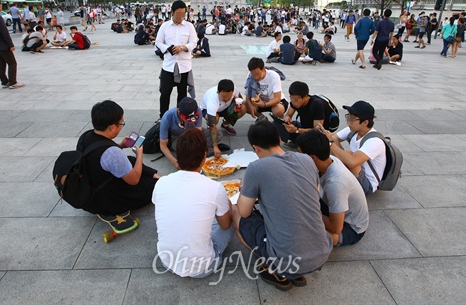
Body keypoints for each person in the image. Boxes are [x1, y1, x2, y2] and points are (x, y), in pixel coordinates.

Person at [231, 121, 332, 291]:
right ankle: (296, 270)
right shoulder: (307, 160)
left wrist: (244, 188)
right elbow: (312, 195)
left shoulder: (256, 168)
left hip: (286, 260)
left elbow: (244, 211)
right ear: (279, 139)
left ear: (256, 148)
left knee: (234, 213)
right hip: (322, 251)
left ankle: (275, 269)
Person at [152, 128, 233, 278]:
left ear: (177, 156)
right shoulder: (215, 188)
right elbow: (225, 225)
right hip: (203, 267)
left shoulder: (161, 183)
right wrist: (228, 205)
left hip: (166, 261)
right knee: (230, 218)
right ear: (204, 157)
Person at [77, 100, 159, 233]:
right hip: (108, 198)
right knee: (153, 185)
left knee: (129, 159)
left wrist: (120, 145)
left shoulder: (86, 136)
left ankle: (158, 177)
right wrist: (140, 155)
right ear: (112, 127)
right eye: (121, 123)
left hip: (92, 185)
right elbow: (134, 180)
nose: (122, 126)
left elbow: (100, 157)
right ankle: (158, 181)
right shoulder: (112, 153)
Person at [297, 129, 369, 246]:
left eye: (300, 154)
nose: (298, 158)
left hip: (351, 228)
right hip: (334, 207)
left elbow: (336, 228)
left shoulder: (336, 184)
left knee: (302, 229)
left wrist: (306, 211)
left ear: (313, 158)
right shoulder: (328, 159)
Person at [322, 101, 386, 195]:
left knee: (351, 159)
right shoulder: (353, 130)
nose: (348, 122)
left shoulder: (375, 141)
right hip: (352, 174)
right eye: (348, 117)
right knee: (344, 153)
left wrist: (330, 143)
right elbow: (334, 138)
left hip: (366, 184)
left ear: (365, 122)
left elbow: (352, 162)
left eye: (352, 119)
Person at [155, 0, 198, 118]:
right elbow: (158, 42)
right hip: (169, 65)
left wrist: (183, 47)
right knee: (165, 93)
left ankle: (181, 117)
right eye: (178, 14)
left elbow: (194, 42)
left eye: (183, 14)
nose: (181, 17)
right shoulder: (165, 26)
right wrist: (167, 48)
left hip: (184, 66)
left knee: (182, 94)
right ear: (172, 12)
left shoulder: (189, 26)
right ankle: (163, 117)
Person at [159, 97, 225, 168]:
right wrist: (175, 162)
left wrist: (213, 146)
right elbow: (163, 145)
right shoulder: (167, 117)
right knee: (183, 149)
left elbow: (198, 133)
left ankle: (200, 151)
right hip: (178, 137)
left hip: (193, 132)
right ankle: (204, 150)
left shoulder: (198, 111)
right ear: (178, 111)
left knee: (218, 134)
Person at [280, 81, 327, 146]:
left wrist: (296, 130)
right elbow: (288, 115)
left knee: (310, 141)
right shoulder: (294, 103)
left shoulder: (316, 105)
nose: (293, 102)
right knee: (282, 126)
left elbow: (317, 130)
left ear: (305, 96)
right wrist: (287, 119)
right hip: (304, 127)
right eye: (291, 98)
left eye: (296, 100)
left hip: (320, 133)